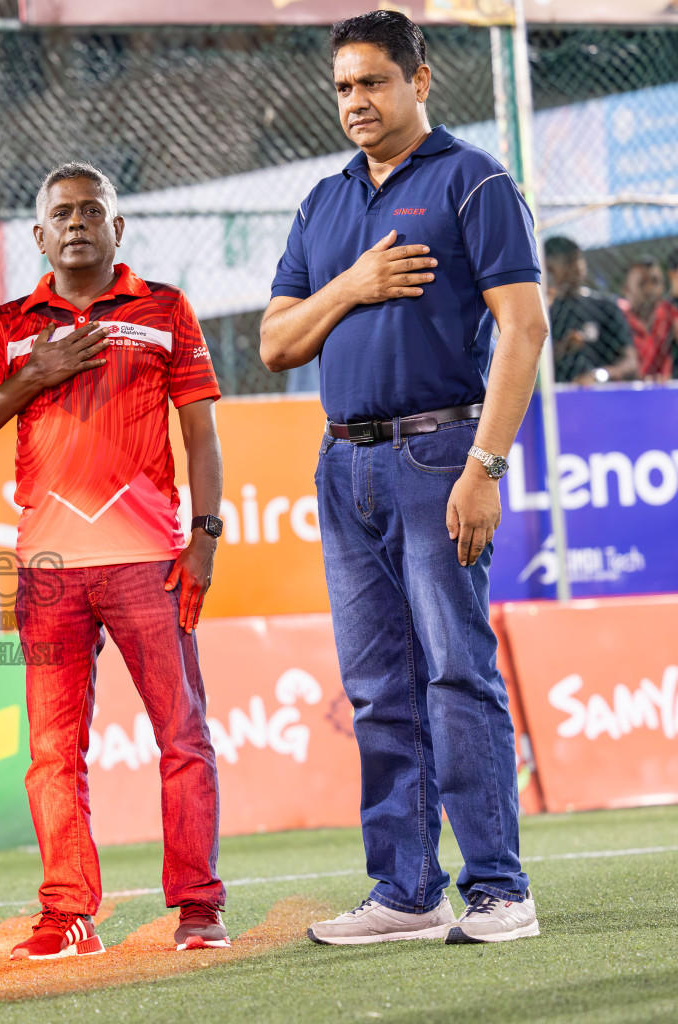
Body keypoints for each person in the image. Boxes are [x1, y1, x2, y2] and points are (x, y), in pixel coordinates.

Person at [261, 11, 549, 946]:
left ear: (420, 81)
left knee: (457, 674)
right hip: (342, 463)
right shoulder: (323, 203)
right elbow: (275, 343)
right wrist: (354, 283)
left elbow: (527, 327)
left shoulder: (474, 181)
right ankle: (407, 894)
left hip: (440, 457)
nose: (357, 102)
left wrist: (485, 466)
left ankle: (501, 891)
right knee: (380, 687)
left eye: (374, 83)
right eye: (343, 86)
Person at [0, 161, 230, 958]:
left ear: (116, 228)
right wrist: (29, 379)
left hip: (150, 561)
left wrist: (205, 533)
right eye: (60, 213)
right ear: (38, 235)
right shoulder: (9, 324)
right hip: (48, 569)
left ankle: (199, 908)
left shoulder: (164, 309)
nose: (75, 223)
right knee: (51, 753)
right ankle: (69, 913)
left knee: (183, 736)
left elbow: (202, 433)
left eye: (90, 211)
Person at [543, 236, 636, 384]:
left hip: (602, 395)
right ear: (549, 268)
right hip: (557, 395)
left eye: (578, 258)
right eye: (568, 261)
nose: (577, 266)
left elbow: (631, 363)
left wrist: (599, 375)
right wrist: (563, 348)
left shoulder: (605, 305)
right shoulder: (545, 313)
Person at [618, 258, 677, 381]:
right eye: (642, 283)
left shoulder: (669, 313)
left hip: (664, 391)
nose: (650, 289)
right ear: (626, 289)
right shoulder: (616, 316)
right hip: (626, 392)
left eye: (655, 282)